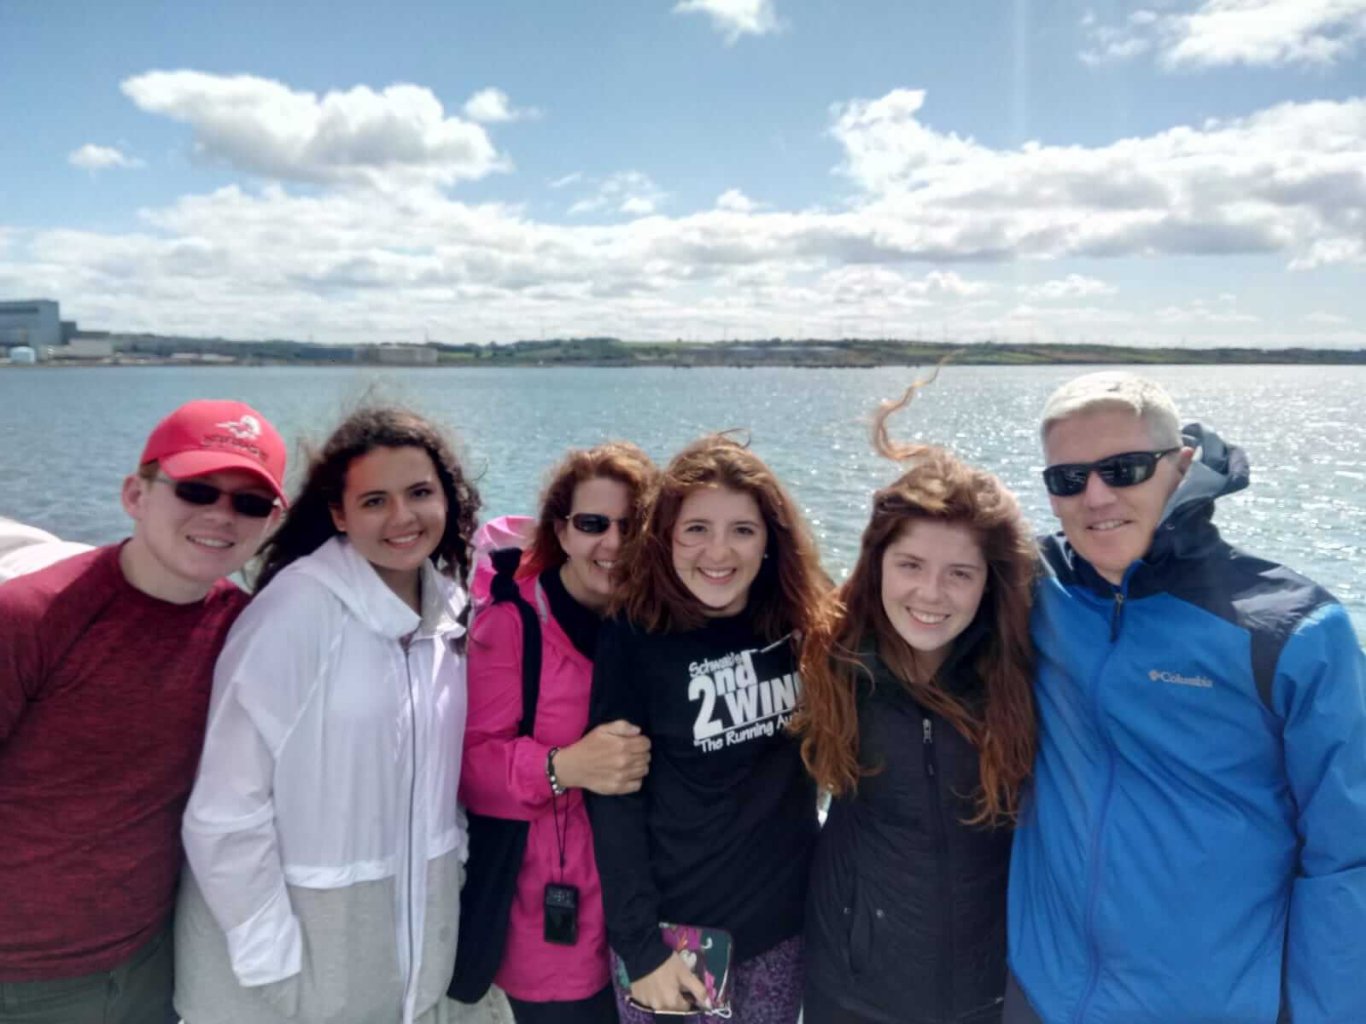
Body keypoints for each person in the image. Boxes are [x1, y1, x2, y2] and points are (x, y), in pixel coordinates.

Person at [1006, 371, 1366, 1024]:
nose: (1096, 495)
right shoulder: (1031, 586)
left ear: (1182, 465)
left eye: (1124, 468)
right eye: (1067, 479)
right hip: (1043, 993)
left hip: (1213, 1004)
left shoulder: (1294, 629)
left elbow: (1349, 857)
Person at [173, 406, 480, 1024]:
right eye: (374, 501)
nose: (402, 517)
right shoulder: (296, 611)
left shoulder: (450, 614)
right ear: (339, 515)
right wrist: (272, 961)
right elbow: (225, 808)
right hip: (288, 964)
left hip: (405, 958)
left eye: (420, 492)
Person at [0, 399, 287, 1024]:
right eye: (196, 490)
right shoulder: (28, 616)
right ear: (136, 494)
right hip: (20, 977)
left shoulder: (244, 631)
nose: (220, 515)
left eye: (249, 503)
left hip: (153, 963)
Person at [794, 382, 1036, 1024]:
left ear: (991, 582)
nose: (932, 594)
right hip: (850, 991)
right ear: (877, 565)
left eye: (961, 572)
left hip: (990, 994)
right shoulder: (830, 664)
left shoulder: (1023, 676)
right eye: (911, 565)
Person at [586, 434, 827, 1024]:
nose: (718, 552)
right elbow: (613, 801)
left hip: (780, 932)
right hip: (672, 938)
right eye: (696, 529)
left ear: (770, 540)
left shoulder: (804, 626)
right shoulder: (635, 634)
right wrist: (641, 947)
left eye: (743, 530)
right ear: (665, 535)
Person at [460, 442, 659, 1024]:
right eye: (593, 524)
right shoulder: (512, 622)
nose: (614, 544)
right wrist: (563, 767)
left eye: (634, 524)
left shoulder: (664, 622)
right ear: (561, 531)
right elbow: (470, 766)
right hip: (553, 920)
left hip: (655, 904)